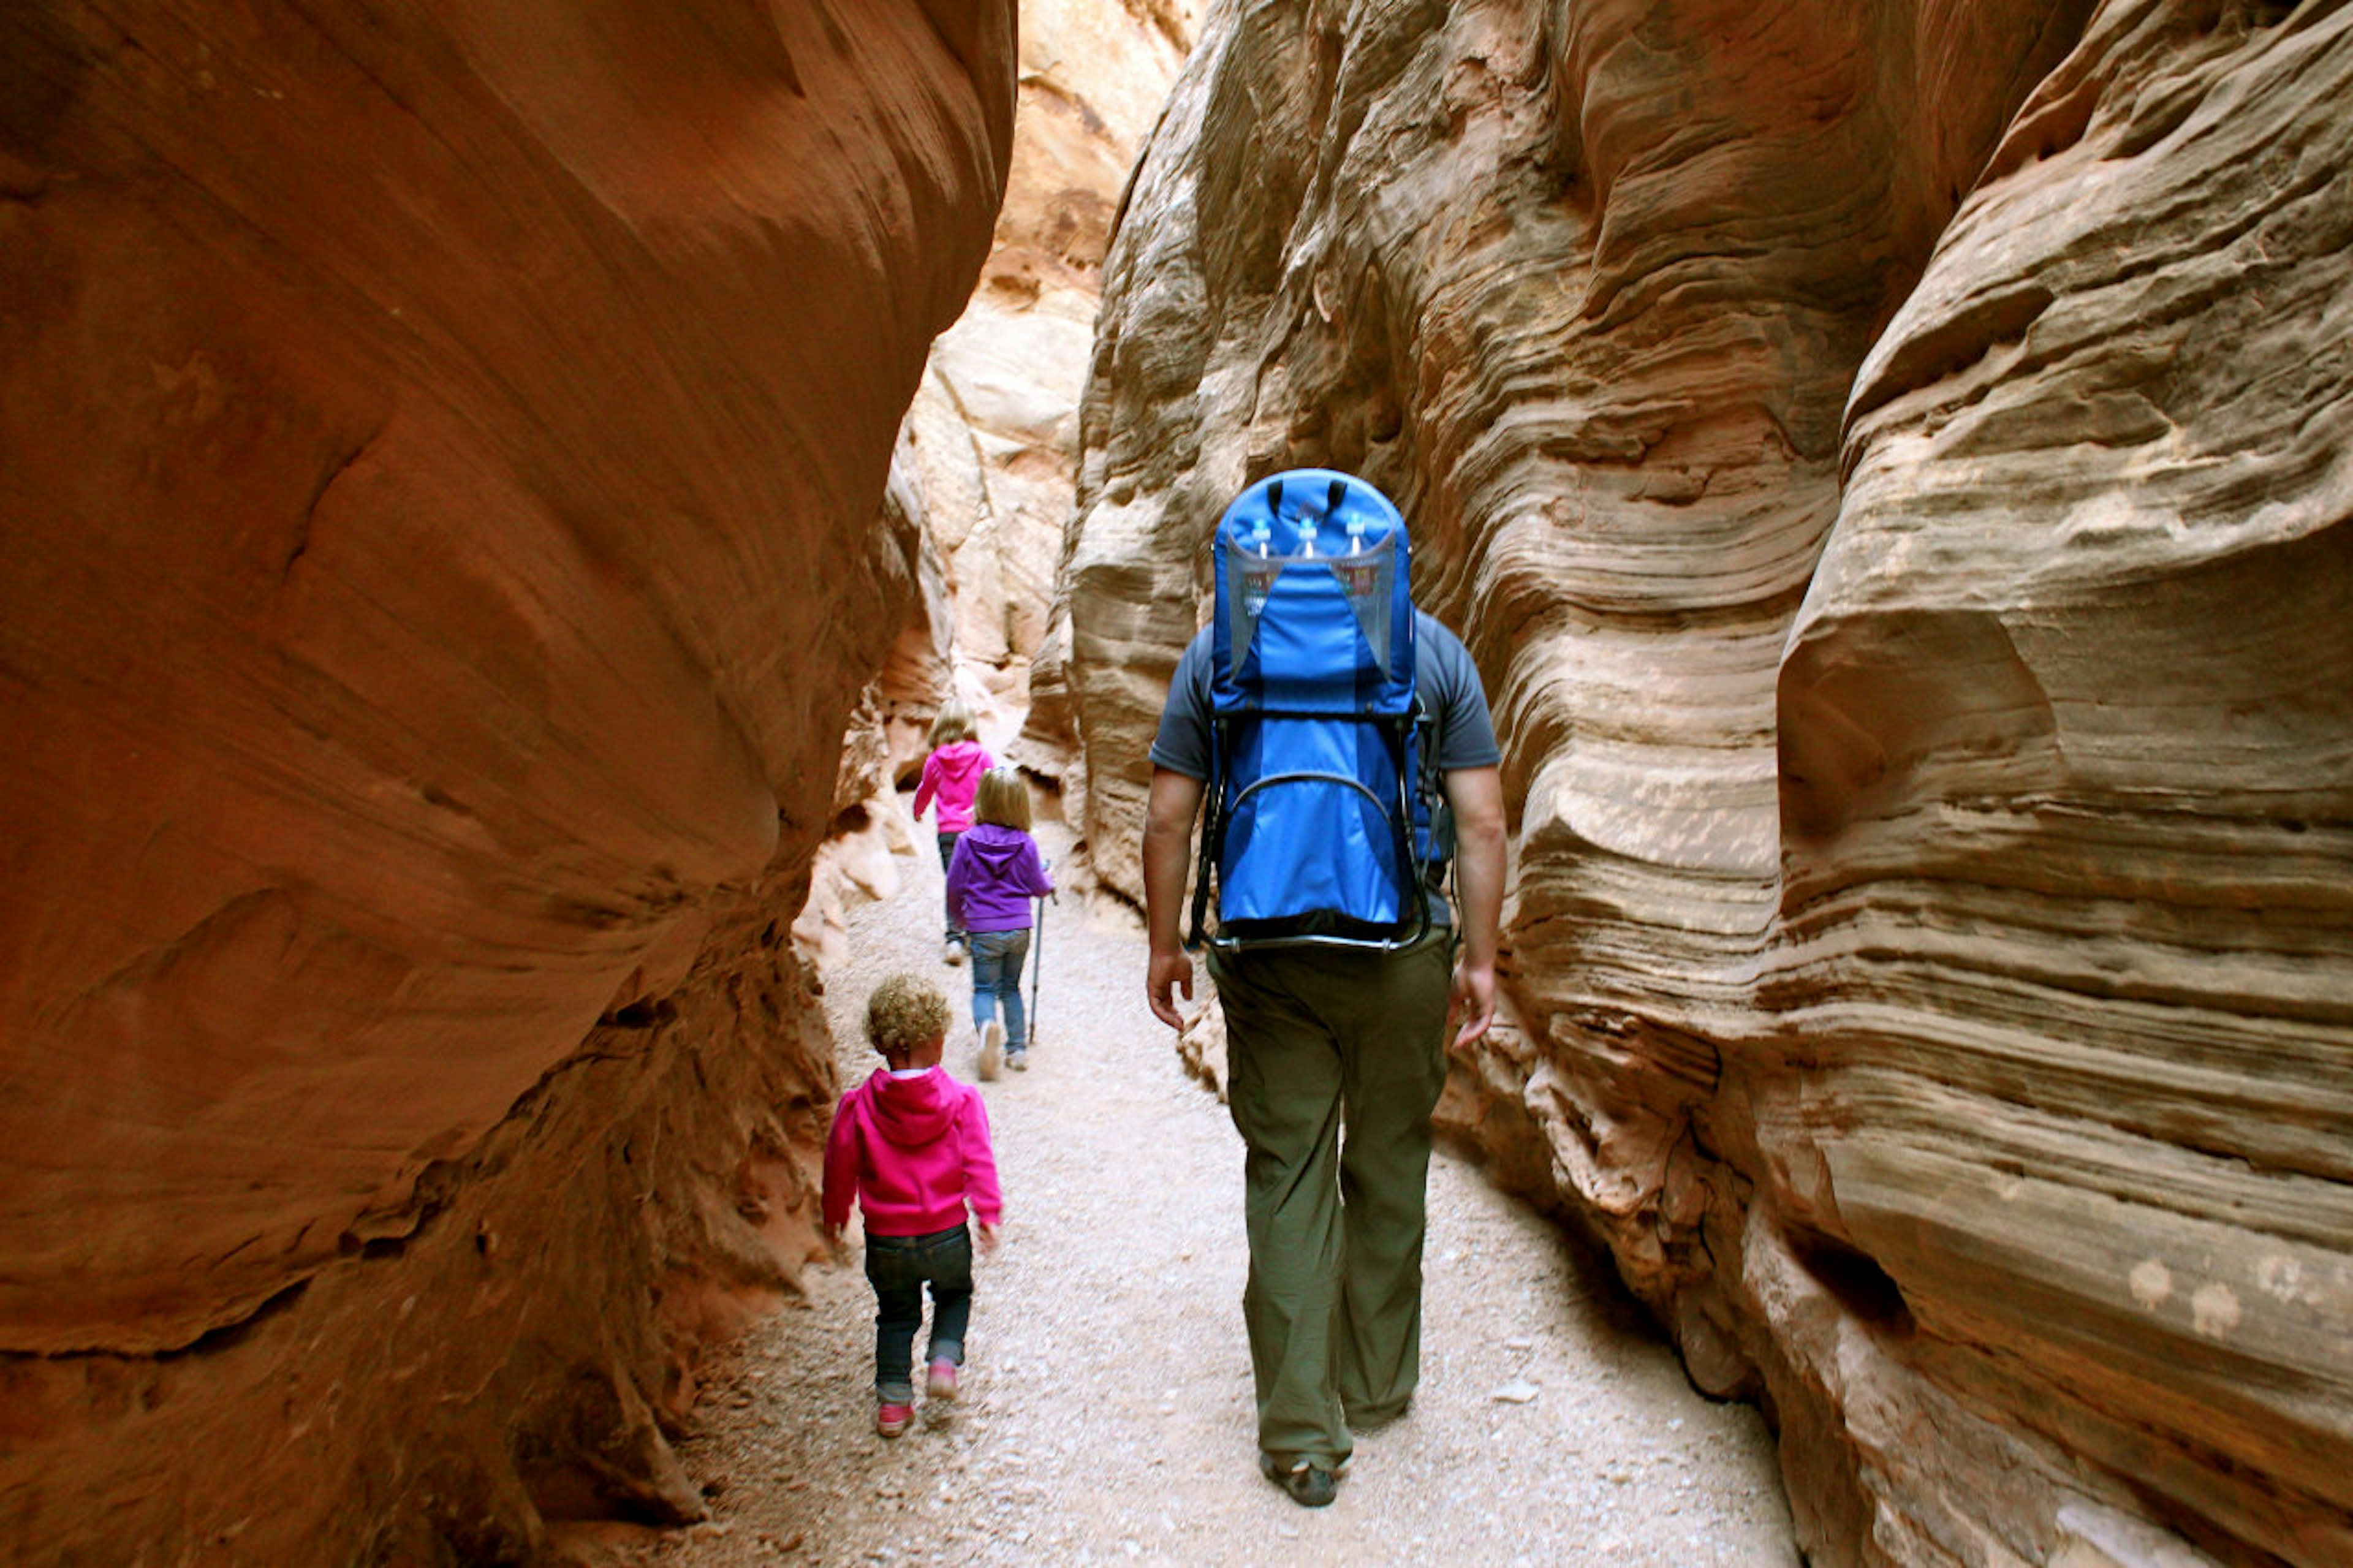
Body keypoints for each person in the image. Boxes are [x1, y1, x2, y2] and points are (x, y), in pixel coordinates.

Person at [1142, 605, 1506, 1509]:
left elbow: (1167, 815)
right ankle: (1377, 1387)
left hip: (1271, 957)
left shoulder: (1219, 652)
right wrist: (1482, 959)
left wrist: (1164, 945)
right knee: (1387, 1158)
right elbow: (1483, 822)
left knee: (1291, 1168)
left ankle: (1304, 1438)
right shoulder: (1431, 648)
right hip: (1404, 949)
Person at [821, 973, 1004, 1437]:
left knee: (897, 1314)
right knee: (955, 1293)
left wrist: (836, 1214)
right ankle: (943, 1360)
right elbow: (978, 1160)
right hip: (946, 1232)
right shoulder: (962, 1100)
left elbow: (839, 1165)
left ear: (885, 1043)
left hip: (886, 1239)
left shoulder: (857, 1105)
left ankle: (894, 1404)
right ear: (935, 1039)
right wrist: (988, 1213)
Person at [945, 768, 1056, 1075]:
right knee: (1011, 988)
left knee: (984, 988)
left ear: (983, 800)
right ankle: (1017, 1049)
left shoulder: (967, 842)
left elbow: (954, 886)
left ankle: (987, 1032)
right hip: (1019, 928)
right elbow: (1040, 887)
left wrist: (959, 919)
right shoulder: (1026, 844)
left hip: (983, 927)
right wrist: (1049, 877)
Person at [912, 700, 995, 965]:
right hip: (977, 830)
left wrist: (918, 810)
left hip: (948, 832)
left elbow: (925, 788)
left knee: (955, 884)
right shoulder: (982, 756)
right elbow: (993, 788)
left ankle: (954, 940)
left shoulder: (936, 759)